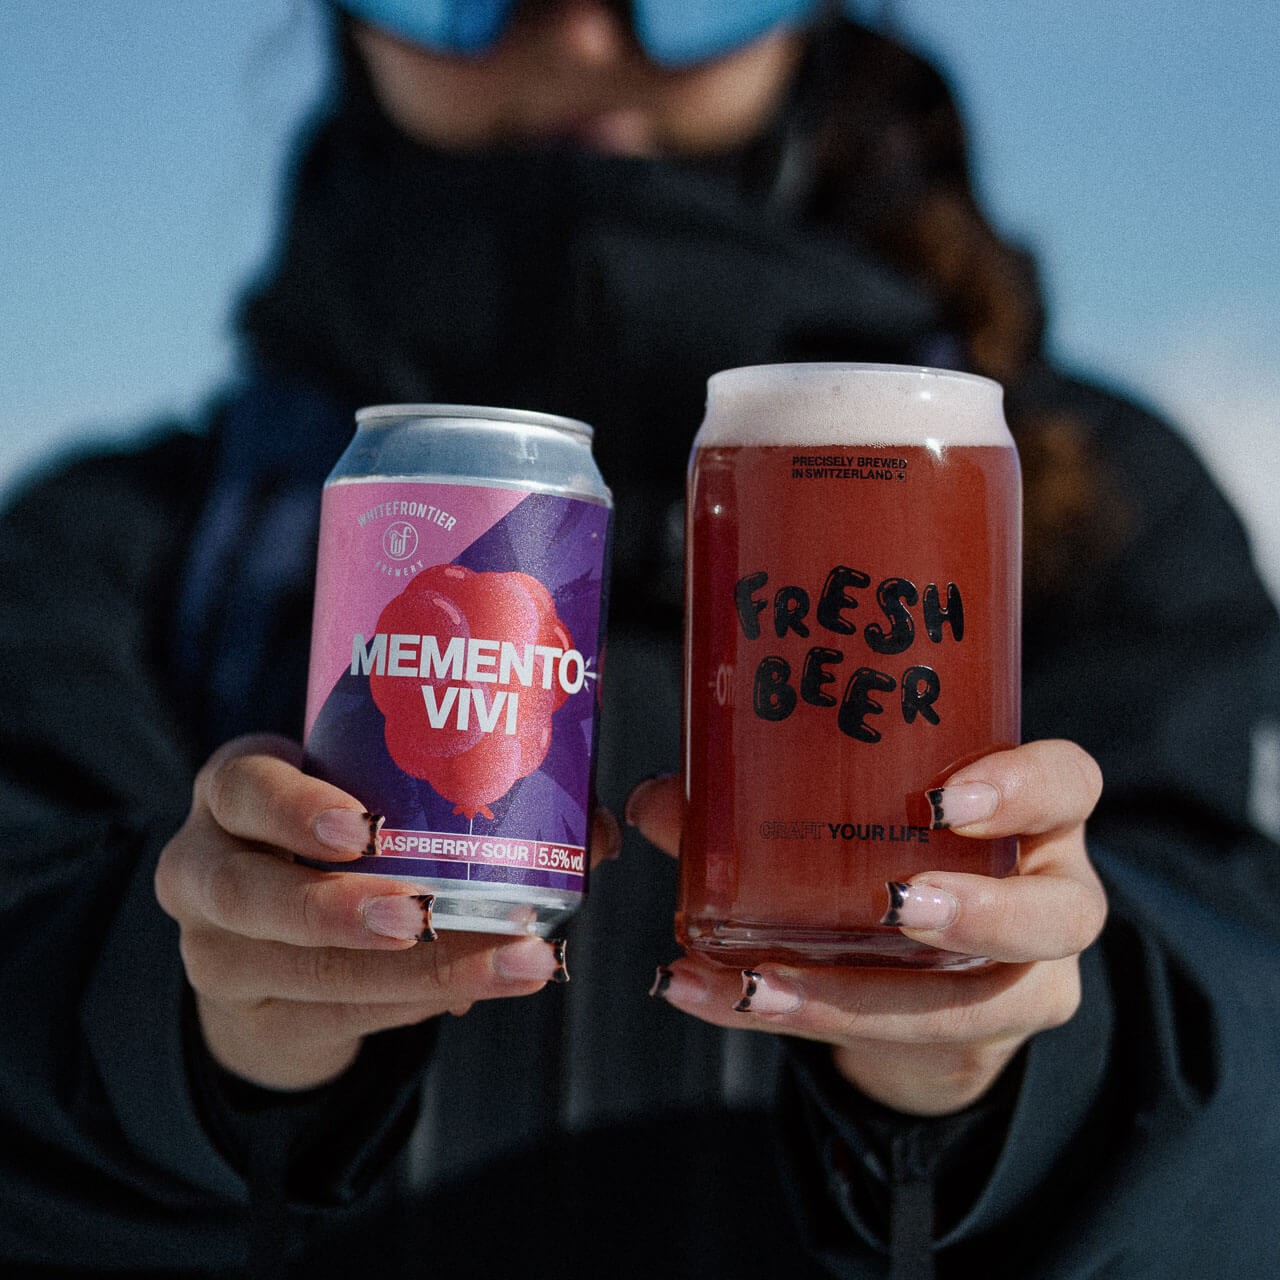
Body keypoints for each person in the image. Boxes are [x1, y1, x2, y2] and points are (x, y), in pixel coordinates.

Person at [1, 2, 1278, 1277]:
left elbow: (1251, 1074)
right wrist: (191, 1022)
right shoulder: (116, 543)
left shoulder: (1092, 504)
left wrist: (1035, 1053)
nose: (575, 30)